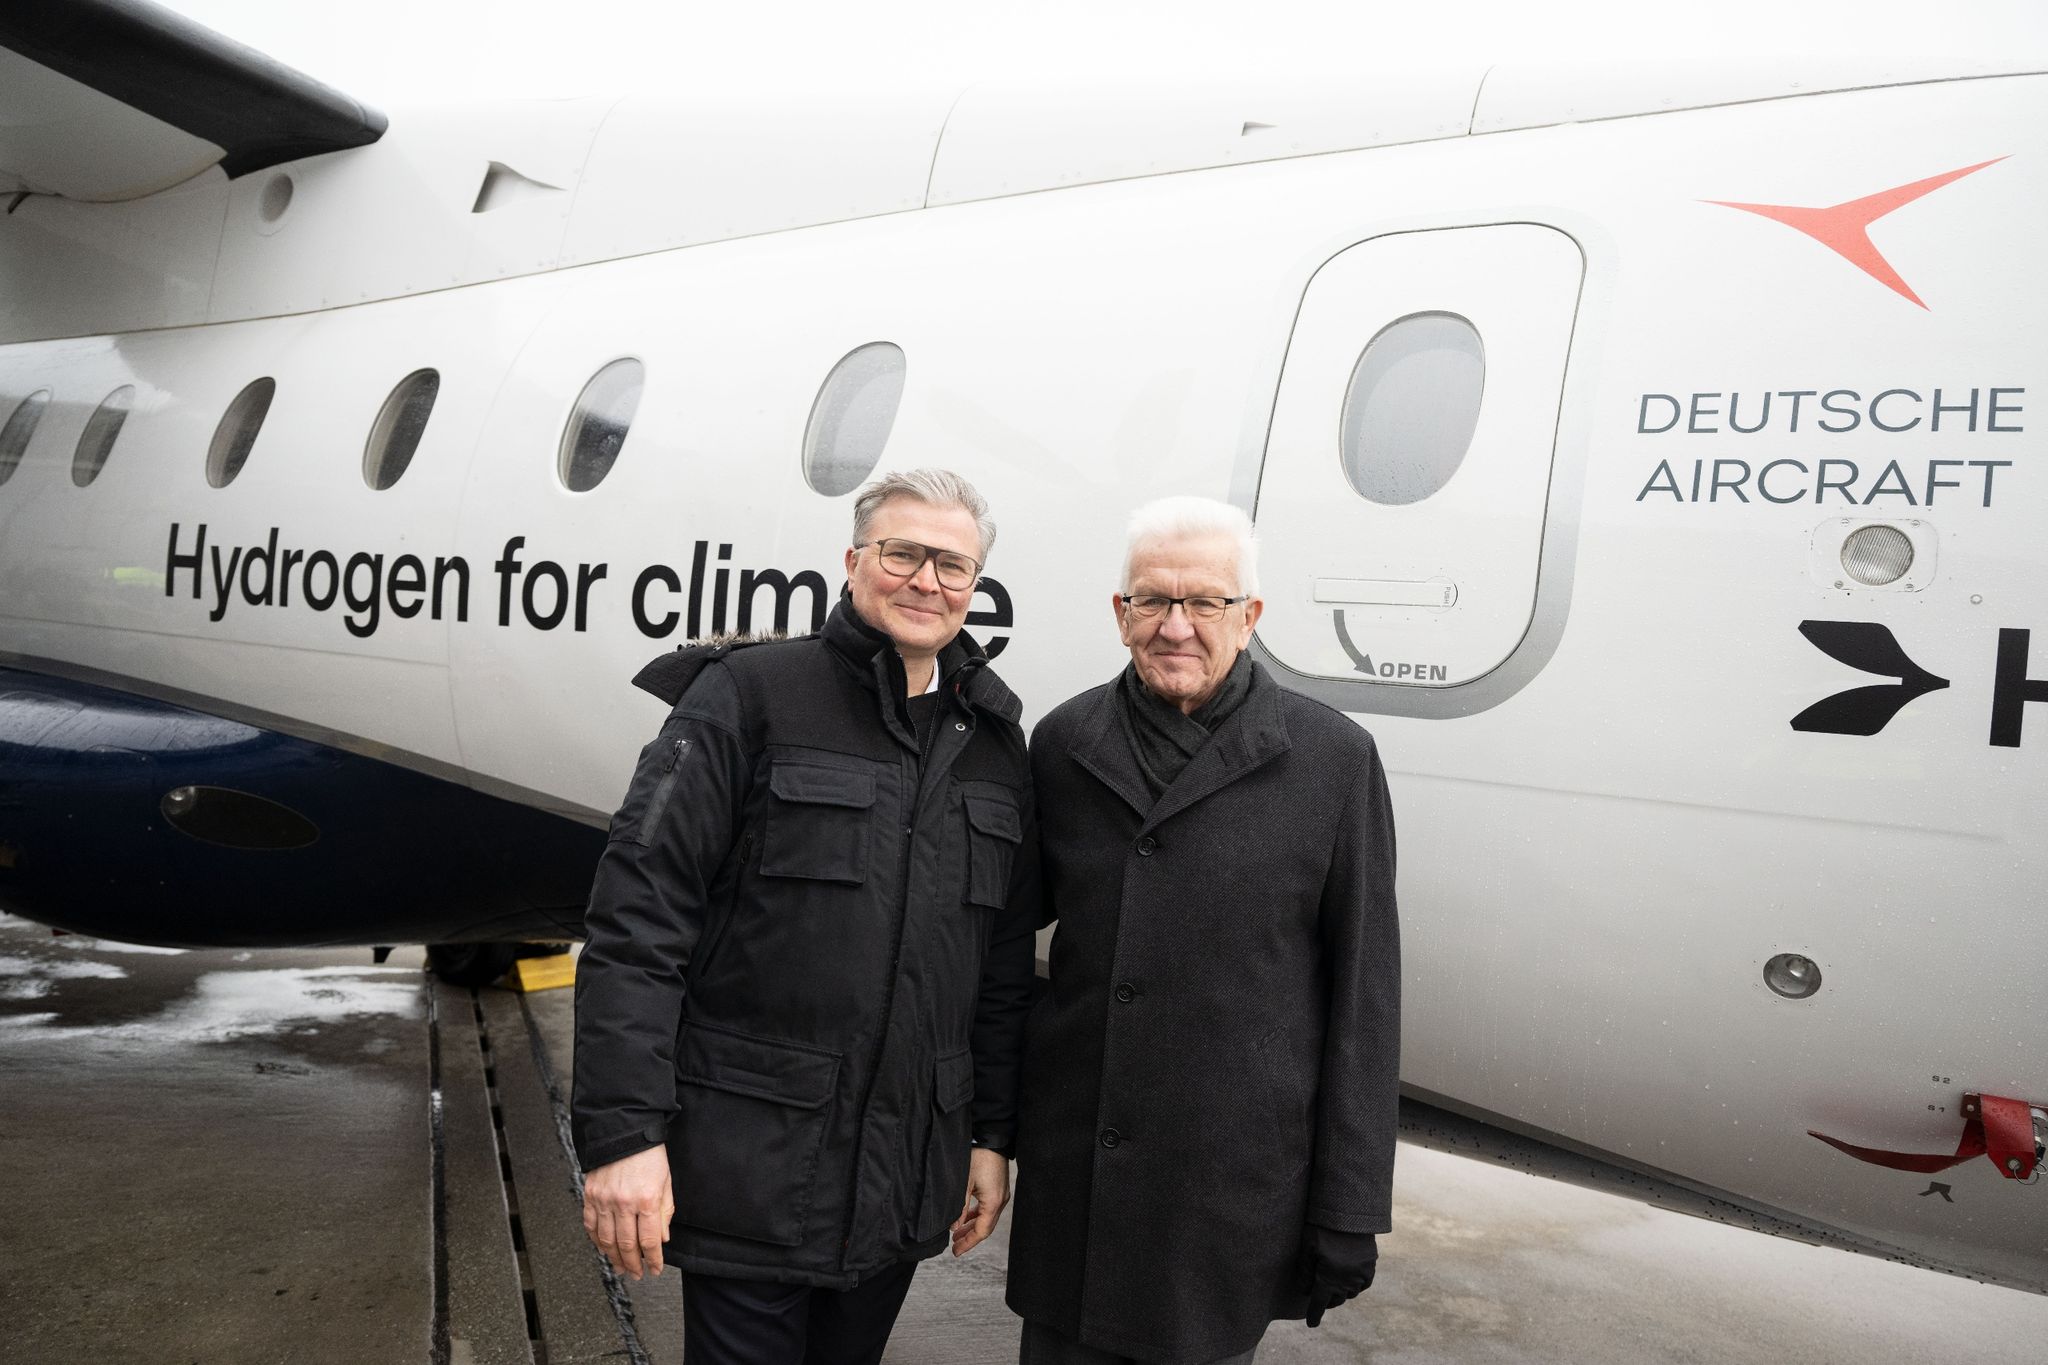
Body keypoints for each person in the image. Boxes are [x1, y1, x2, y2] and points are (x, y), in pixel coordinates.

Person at [571, 469, 1039, 1365]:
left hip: (902, 1181)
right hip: (753, 1166)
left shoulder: (992, 747)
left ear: (976, 587)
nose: (926, 581)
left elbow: (1000, 971)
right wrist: (625, 1136)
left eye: (954, 565)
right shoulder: (746, 698)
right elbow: (638, 922)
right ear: (855, 560)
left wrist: (989, 1136)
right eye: (904, 553)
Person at [1005, 495, 1400, 1365]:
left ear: (1250, 617)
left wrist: (1352, 1203)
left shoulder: (1332, 760)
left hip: (1222, 1205)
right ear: (1120, 615)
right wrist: (990, 1136)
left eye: (1206, 603)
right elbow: (1002, 953)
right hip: (1080, 1192)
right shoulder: (1064, 743)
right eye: (1151, 600)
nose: (1175, 625)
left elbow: (1365, 1004)